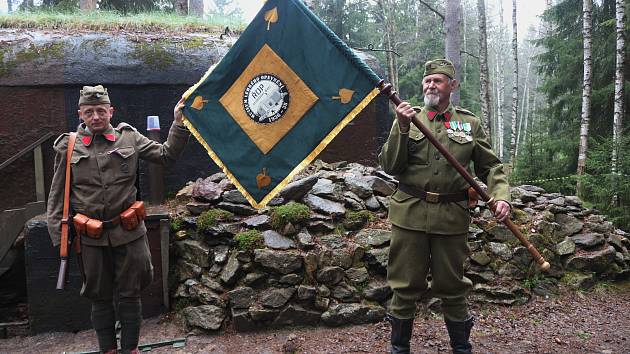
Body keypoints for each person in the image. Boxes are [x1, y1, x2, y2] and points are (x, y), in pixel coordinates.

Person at [378, 59, 511, 354]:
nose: (431, 86)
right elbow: (389, 165)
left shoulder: (468, 123)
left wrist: (501, 196)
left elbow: (491, 166)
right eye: (428, 81)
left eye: (438, 81)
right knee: (404, 285)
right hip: (409, 213)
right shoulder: (408, 118)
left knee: (452, 286)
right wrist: (400, 127)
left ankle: (461, 348)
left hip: (451, 218)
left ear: (452, 86)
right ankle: (399, 349)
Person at [46, 85, 189, 354]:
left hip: (129, 233)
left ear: (111, 111)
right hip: (91, 237)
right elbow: (57, 195)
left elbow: (166, 155)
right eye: (89, 112)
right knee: (98, 297)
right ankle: (108, 350)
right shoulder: (69, 146)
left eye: (101, 111)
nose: (96, 116)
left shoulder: (129, 138)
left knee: (130, 293)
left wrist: (178, 123)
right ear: (80, 114)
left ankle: (131, 349)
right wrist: (59, 236)